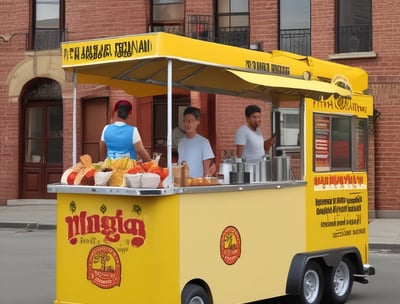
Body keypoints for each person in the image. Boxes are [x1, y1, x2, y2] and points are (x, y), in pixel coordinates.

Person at [178, 106, 216, 177]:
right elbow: (180, 164)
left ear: (197, 122)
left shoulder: (204, 142)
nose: (188, 124)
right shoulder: (181, 143)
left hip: (198, 184)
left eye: (191, 120)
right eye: (186, 120)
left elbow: (207, 167)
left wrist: (204, 182)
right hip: (183, 183)